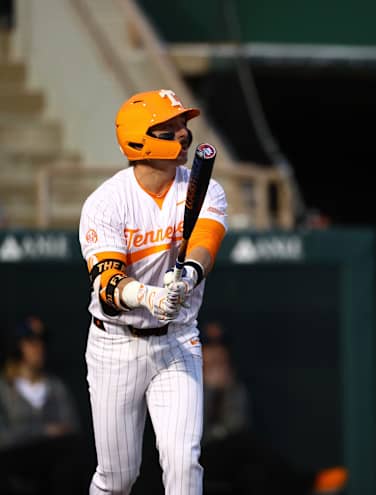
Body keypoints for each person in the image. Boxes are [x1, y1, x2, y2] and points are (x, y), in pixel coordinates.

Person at [78, 89, 228, 494]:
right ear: (140, 139)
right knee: (117, 477)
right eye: (171, 127)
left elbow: (206, 241)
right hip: (117, 344)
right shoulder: (106, 202)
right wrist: (148, 296)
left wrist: (189, 277)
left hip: (177, 340)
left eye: (183, 125)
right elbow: (108, 284)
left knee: (183, 464)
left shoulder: (204, 187)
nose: (183, 134)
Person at [199, 321, 348, 495]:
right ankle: (308, 482)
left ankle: (307, 484)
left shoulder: (232, 383)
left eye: (220, 347)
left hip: (229, 459)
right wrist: (210, 390)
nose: (216, 352)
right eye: (210, 347)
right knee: (246, 446)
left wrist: (224, 392)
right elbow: (194, 433)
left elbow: (237, 427)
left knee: (254, 473)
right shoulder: (186, 381)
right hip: (195, 458)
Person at [0, 316, 84, 493]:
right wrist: (44, 431)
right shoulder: (4, 389)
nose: (38, 348)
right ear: (18, 346)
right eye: (31, 341)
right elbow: (4, 438)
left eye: (41, 341)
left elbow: (71, 429)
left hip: (53, 477)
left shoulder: (55, 387)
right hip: (13, 476)